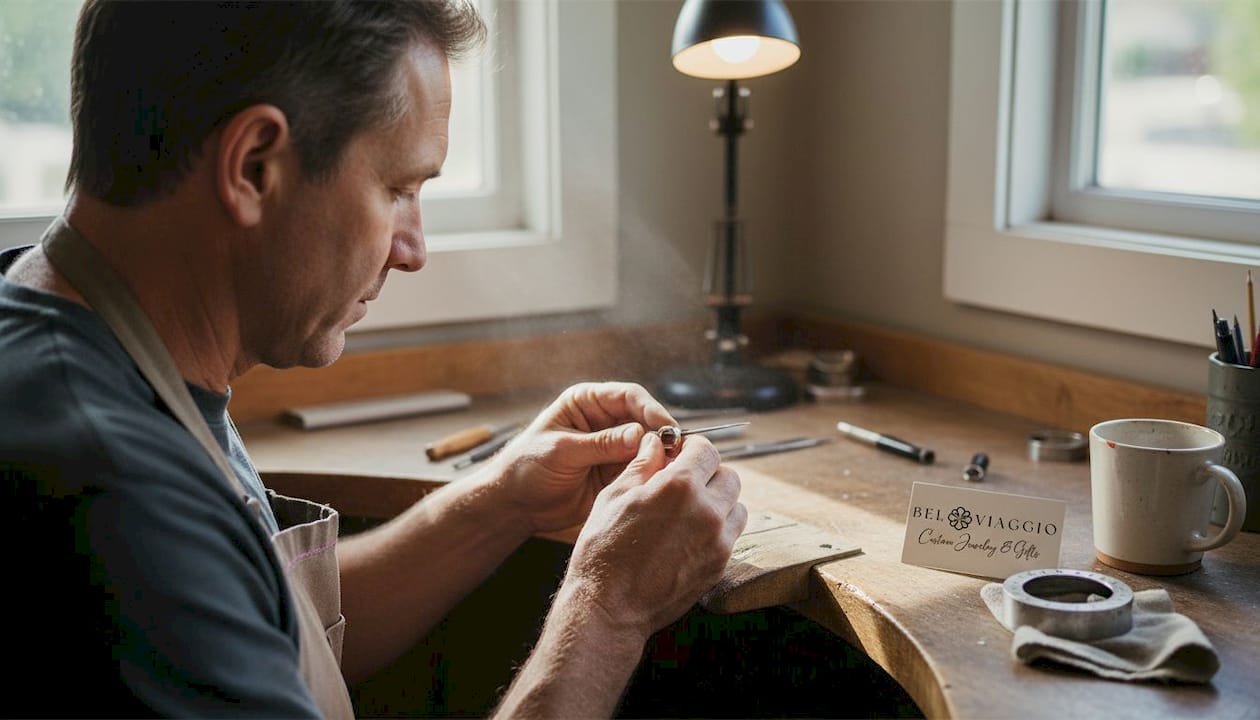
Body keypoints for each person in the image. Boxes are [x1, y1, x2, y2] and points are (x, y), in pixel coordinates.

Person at [0, 1, 746, 717]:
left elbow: (253, 628)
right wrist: (608, 606)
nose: (413, 250)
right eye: (398, 190)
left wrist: (505, 497)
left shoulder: (79, 326)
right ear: (254, 166)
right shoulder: (116, 495)